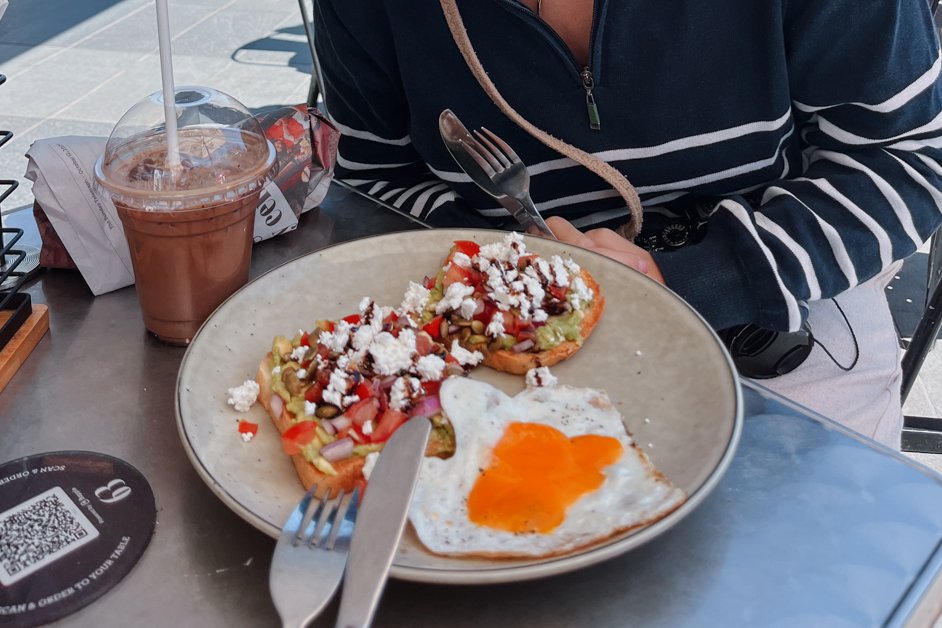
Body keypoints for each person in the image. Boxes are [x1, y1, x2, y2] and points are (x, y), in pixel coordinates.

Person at [312, 0, 942, 447]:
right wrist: (500, 276)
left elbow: (908, 158)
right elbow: (376, 184)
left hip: (775, 309)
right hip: (488, 340)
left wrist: (688, 276)